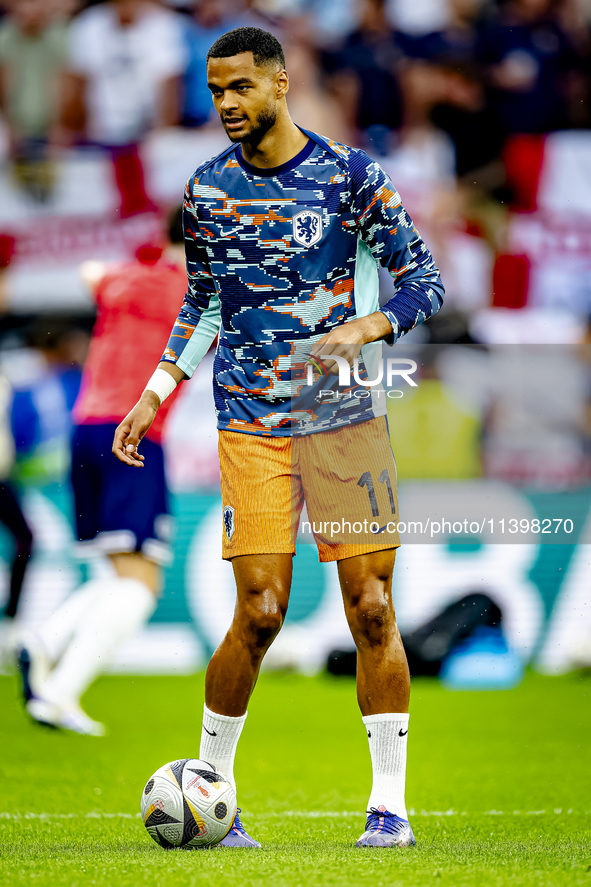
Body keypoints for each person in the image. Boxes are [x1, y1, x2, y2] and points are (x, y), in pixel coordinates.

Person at [113, 27, 444, 848]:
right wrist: (155, 391)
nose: (225, 104)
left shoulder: (352, 177)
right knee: (258, 611)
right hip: (249, 422)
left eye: (240, 87)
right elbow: (204, 304)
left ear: (281, 83)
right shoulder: (206, 191)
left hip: (345, 418)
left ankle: (390, 807)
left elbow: (424, 280)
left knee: (371, 608)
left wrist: (370, 323)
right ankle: (209, 791)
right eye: (215, 90)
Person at [17, 208, 188, 736]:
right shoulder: (194, 290)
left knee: (119, 574)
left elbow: (91, 271)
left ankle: (54, 682)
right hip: (134, 433)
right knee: (142, 584)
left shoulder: (127, 280)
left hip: (85, 430)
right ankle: (50, 652)